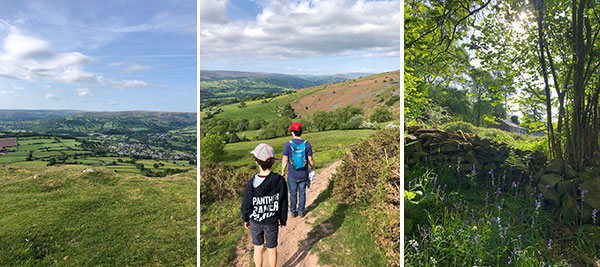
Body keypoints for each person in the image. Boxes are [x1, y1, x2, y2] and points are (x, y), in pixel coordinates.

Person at [241, 143, 288, 267]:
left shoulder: (251, 183)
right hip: (272, 221)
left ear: (256, 162)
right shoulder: (279, 180)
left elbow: (246, 205)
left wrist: (246, 219)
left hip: (255, 221)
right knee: (272, 249)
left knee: (258, 247)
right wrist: (282, 219)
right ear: (272, 162)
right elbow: (283, 202)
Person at [281, 122, 315, 218]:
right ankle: (301, 211)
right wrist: (312, 168)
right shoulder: (306, 144)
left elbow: (285, 160)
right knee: (302, 193)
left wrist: (283, 171)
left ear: (293, 132)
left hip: (292, 174)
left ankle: (292, 211)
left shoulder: (288, 145)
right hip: (303, 174)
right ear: (301, 132)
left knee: (292, 193)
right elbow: (310, 159)